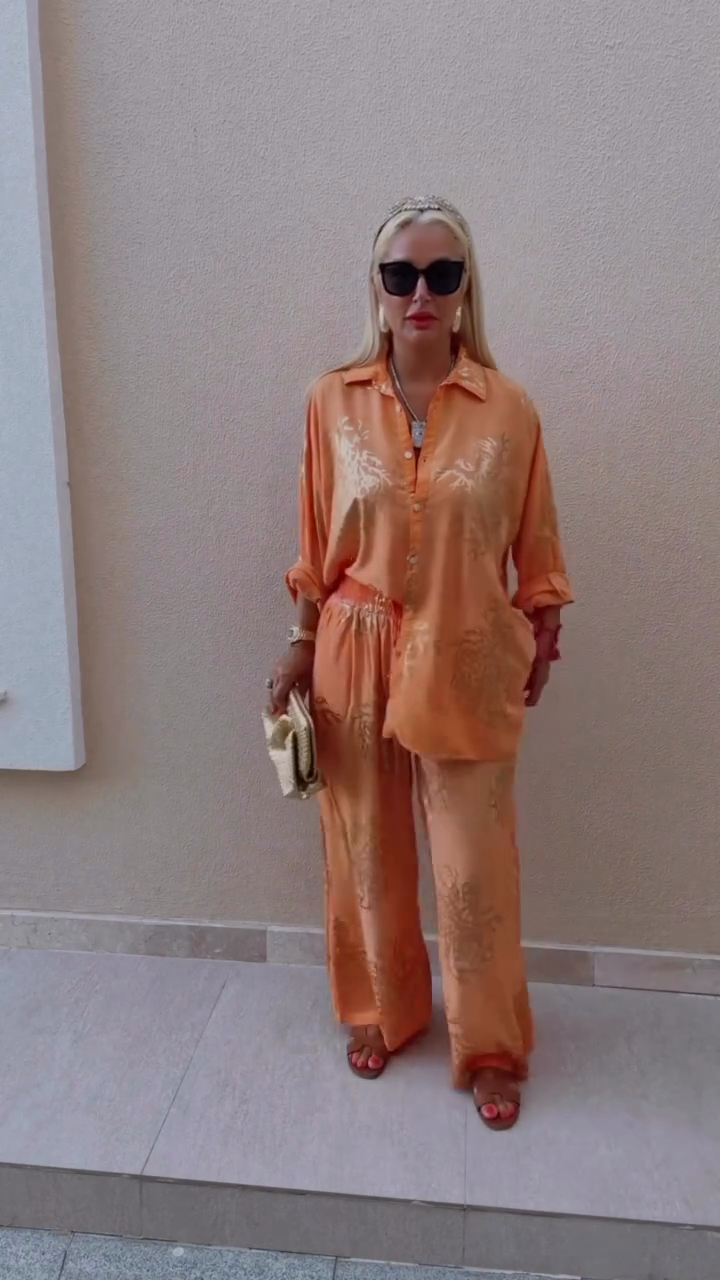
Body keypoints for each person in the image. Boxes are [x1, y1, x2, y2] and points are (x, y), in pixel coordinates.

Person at [267, 196, 573, 1130]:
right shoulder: (332, 401)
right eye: (401, 275)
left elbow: (537, 543)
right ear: (377, 287)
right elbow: (317, 540)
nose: (421, 294)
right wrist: (300, 644)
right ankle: (380, 1009)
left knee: (475, 867)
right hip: (351, 648)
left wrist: (543, 625)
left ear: (468, 285)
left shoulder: (509, 409)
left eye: (443, 274)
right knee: (366, 850)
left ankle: (491, 1046)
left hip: (465, 650)